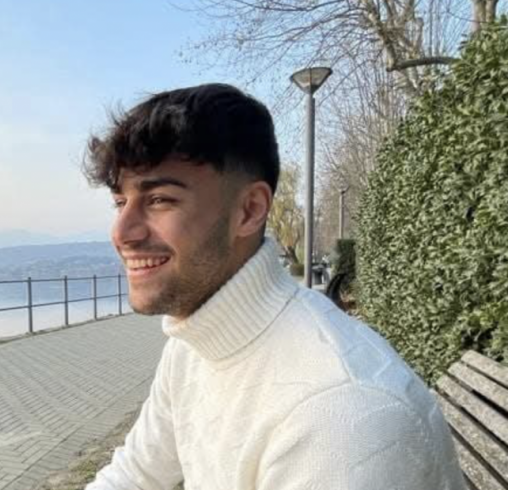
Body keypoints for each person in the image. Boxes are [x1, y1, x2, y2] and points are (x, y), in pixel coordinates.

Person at [81, 84, 465, 490]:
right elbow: (134, 475)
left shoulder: (341, 415)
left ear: (249, 210)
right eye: (120, 203)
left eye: (159, 199)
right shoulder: (192, 346)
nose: (121, 232)